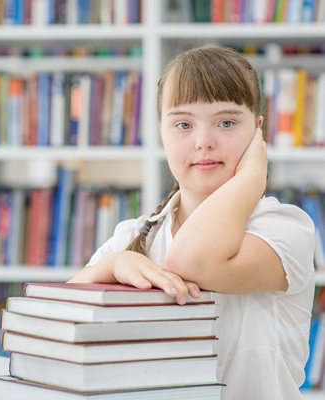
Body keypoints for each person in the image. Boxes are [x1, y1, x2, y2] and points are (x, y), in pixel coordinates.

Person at [69, 45, 315, 399]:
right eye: (183, 124)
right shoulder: (132, 236)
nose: (203, 142)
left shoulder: (285, 228)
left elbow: (193, 261)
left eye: (227, 123)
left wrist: (251, 178)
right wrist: (112, 264)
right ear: (161, 132)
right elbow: (63, 325)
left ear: (258, 132)